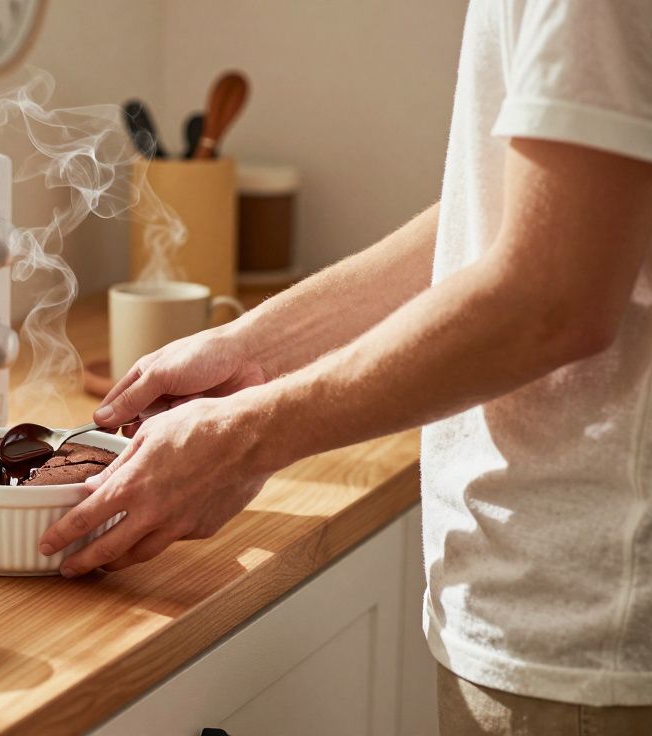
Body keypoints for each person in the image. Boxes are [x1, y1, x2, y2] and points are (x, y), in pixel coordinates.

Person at [39, 1, 652, 732]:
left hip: (594, 627)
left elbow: (551, 294)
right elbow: (503, 214)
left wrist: (247, 436)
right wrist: (253, 347)